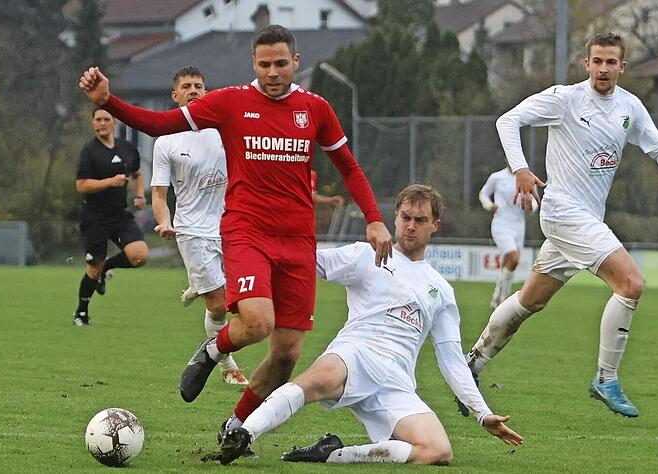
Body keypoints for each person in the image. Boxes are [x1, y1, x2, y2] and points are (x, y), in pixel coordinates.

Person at [78, 25, 392, 412]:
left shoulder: (315, 108)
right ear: (253, 64)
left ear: (296, 62)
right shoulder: (230, 102)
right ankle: (215, 351)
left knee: (287, 354)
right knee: (257, 323)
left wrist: (374, 218)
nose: (272, 72)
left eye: (281, 63)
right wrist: (108, 101)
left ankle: (238, 425)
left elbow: (348, 166)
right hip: (247, 232)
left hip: (297, 240)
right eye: (264, 64)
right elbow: (160, 124)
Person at [458, 33, 658, 418]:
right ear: (586, 64)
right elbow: (508, 120)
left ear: (622, 67)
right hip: (563, 213)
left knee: (530, 300)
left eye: (610, 62)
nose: (603, 68)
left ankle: (470, 366)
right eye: (596, 61)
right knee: (631, 284)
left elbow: (656, 145)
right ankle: (606, 378)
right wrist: (520, 169)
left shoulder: (629, 106)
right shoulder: (565, 99)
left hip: (584, 220)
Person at [208, 185, 523, 466]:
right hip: (355, 354)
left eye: (420, 220)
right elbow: (304, 263)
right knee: (314, 381)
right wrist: (252, 256)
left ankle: (331, 454)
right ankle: (244, 434)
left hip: (397, 381)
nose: (410, 225)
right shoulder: (365, 255)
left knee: (437, 451)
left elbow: (452, 360)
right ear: (395, 218)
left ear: (435, 225)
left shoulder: (440, 289)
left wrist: (482, 414)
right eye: (405, 217)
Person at [150, 66, 248, 386]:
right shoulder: (166, 141)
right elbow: (159, 194)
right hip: (191, 230)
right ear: (175, 95)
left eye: (198, 86)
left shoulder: (223, 130)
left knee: (246, 301)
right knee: (219, 307)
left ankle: (199, 283)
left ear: (206, 92)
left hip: (230, 225)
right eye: (186, 86)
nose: (193, 90)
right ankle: (228, 367)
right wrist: (164, 221)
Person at [73, 108, 149, 326]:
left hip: (119, 216)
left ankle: (106, 267)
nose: (102, 123)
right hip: (94, 218)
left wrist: (139, 195)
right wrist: (109, 182)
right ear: (93, 123)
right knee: (93, 268)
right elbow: (81, 185)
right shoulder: (89, 151)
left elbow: (137, 174)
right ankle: (81, 312)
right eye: (98, 119)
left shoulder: (126, 148)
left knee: (139, 256)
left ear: (114, 122)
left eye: (106, 119)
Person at [478, 167, 537, 309]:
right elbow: (483, 193)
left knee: (510, 261)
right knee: (513, 257)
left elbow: (534, 202)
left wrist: (531, 207)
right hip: (501, 223)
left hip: (519, 226)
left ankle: (497, 296)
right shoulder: (497, 177)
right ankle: (504, 296)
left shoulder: (528, 178)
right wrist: (489, 205)